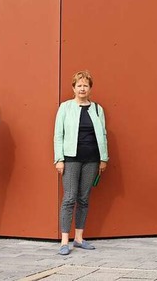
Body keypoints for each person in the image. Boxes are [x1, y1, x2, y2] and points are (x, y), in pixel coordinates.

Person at [53, 70, 108, 256]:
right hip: (71, 159)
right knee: (69, 198)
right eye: (79, 85)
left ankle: (78, 238)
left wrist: (103, 158)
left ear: (90, 88)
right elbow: (58, 134)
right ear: (73, 88)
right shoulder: (65, 107)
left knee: (84, 199)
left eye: (86, 85)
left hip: (92, 159)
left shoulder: (97, 109)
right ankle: (64, 241)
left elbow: (103, 135)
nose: (82, 88)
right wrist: (59, 159)